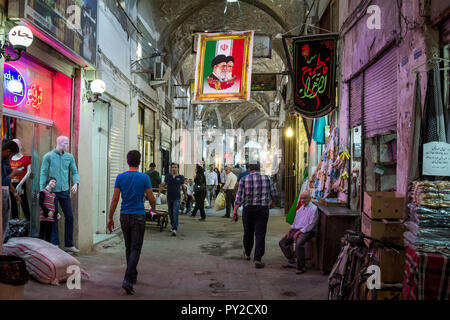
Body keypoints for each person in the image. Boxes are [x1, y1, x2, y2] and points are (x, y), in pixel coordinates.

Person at [107, 150, 156, 295]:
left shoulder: (120, 177)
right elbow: (152, 199)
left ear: (127, 161)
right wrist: (152, 210)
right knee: (136, 248)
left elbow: (115, 199)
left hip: (124, 216)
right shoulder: (144, 177)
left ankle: (132, 275)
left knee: (129, 247)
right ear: (140, 162)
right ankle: (128, 279)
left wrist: (110, 217)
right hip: (138, 216)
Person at [232, 161, 277, 269]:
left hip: (248, 210)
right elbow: (274, 193)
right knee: (260, 234)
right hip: (262, 210)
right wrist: (272, 203)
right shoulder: (267, 179)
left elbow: (239, 198)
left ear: (248, 169)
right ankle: (257, 259)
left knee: (248, 232)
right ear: (259, 168)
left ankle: (247, 254)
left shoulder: (244, 179)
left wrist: (234, 211)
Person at [40, 136, 80, 253]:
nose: (67, 146)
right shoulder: (48, 156)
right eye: (65, 144)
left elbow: (74, 171)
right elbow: (43, 173)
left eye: (67, 143)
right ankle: (55, 244)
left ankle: (69, 244)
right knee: (53, 218)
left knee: (70, 216)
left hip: (64, 191)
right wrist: (43, 190)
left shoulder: (69, 157)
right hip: (51, 192)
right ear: (59, 143)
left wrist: (76, 183)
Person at [279, 192, 319, 274]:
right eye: (301, 198)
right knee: (282, 242)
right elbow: (295, 222)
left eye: (304, 198)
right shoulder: (301, 208)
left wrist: (298, 232)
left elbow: (311, 225)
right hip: (297, 229)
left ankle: (301, 267)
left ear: (309, 198)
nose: (302, 200)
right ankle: (292, 261)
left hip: (308, 231)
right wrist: (290, 230)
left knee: (299, 243)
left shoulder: (314, 209)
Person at [2, 140, 21, 241]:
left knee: (5, 220)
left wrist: (15, 193)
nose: (11, 158)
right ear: (8, 151)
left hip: (5, 194)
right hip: (2, 192)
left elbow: (8, 180)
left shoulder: (5, 161)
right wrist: (13, 174)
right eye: (11, 155)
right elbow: (3, 181)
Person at [158, 163, 185, 236]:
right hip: (169, 197)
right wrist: (159, 192)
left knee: (175, 212)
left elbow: (183, 187)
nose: (174, 169)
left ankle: (175, 229)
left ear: (178, 168)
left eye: (175, 167)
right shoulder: (168, 176)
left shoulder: (180, 177)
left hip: (177, 198)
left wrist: (185, 195)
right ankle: (173, 225)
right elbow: (163, 185)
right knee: (170, 213)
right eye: (173, 167)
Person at [9, 139, 32, 220]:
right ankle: (15, 225)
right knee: (12, 204)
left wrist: (20, 184)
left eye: (18, 144)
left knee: (24, 203)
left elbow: (29, 172)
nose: (16, 146)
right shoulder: (9, 159)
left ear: (21, 146)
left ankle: (28, 222)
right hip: (10, 184)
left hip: (20, 184)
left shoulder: (25, 159)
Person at [39, 177, 61, 243]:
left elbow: (54, 206)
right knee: (42, 234)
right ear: (48, 182)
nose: (53, 183)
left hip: (51, 218)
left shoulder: (53, 195)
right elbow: (40, 203)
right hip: (44, 216)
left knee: (48, 235)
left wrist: (57, 213)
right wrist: (47, 211)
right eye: (52, 181)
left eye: (55, 182)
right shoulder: (43, 192)